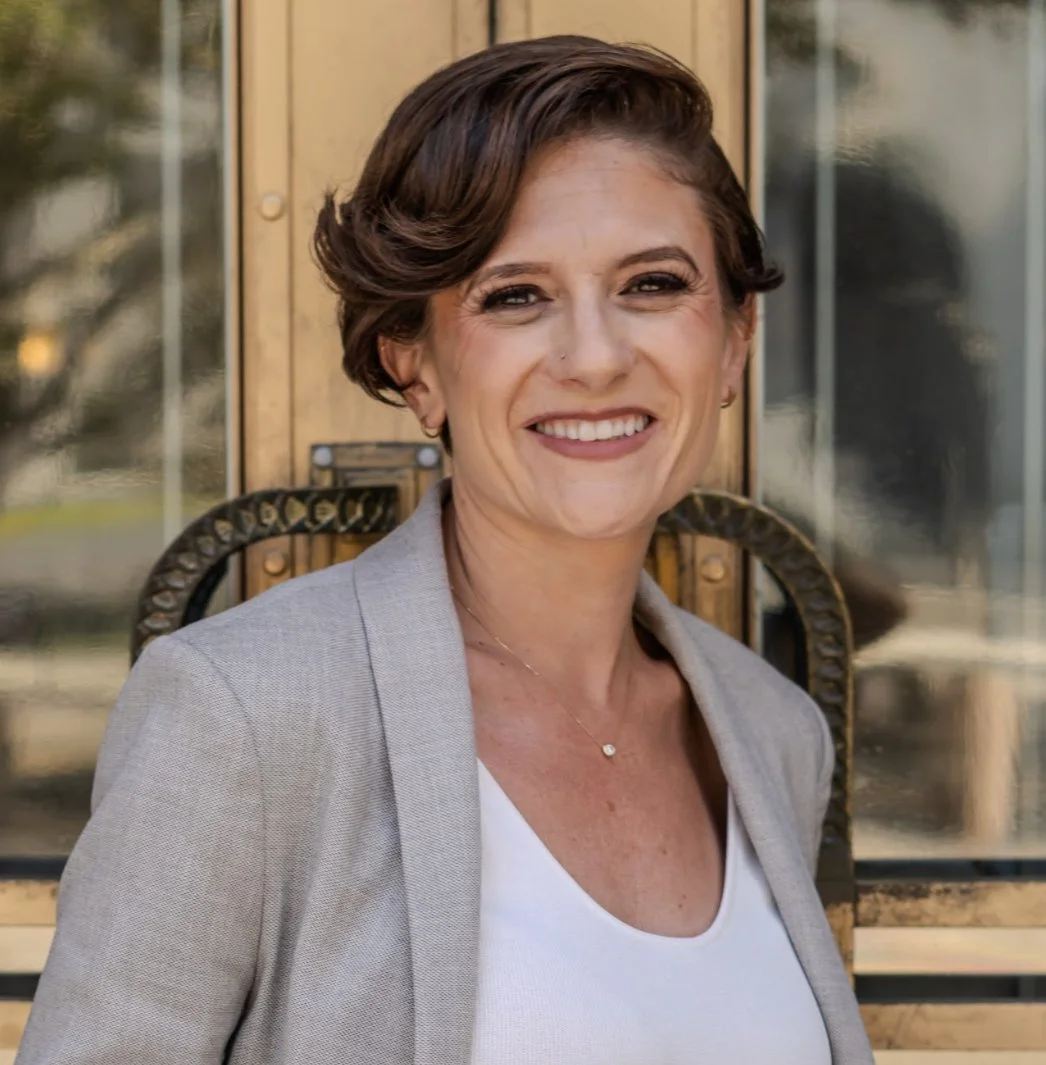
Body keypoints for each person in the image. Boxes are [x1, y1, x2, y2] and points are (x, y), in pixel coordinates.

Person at [17, 36, 873, 1065]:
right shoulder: (243, 716)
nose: (595, 356)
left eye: (651, 284)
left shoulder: (773, 732)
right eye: (514, 295)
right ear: (414, 364)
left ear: (733, 339)